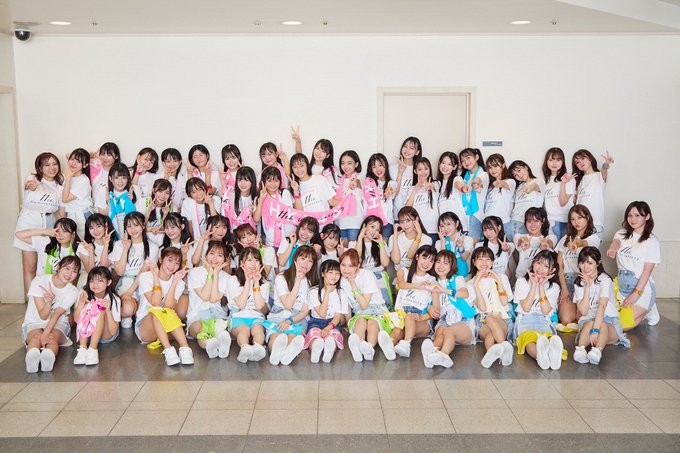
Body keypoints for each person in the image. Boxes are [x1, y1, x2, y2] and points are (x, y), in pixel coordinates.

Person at [14, 152, 65, 294]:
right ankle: (32, 300)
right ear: (40, 167)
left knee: (46, 265)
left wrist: (65, 227)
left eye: (54, 164)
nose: (52, 168)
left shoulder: (60, 184)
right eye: (47, 165)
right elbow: (29, 186)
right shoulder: (33, 178)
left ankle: (45, 299)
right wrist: (33, 186)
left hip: (49, 224)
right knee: (30, 267)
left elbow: (61, 210)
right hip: (29, 223)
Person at [134, 247, 192, 366]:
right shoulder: (145, 277)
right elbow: (155, 303)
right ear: (161, 259)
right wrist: (155, 276)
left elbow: (168, 305)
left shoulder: (179, 282)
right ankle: (168, 350)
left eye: (177, 263)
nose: (173, 266)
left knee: (165, 310)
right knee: (157, 310)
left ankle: (185, 349)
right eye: (170, 260)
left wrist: (175, 281)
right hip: (146, 327)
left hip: (167, 327)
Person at [22, 256, 81, 373]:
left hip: (59, 323)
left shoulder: (73, 291)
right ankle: (31, 360)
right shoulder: (39, 281)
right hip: (34, 321)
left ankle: (48, 360)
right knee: (37, 337)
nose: (70, 274)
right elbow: (43, 315)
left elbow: (56, 314)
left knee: (51, 337)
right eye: (67, 268)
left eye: (74, 271)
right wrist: (49, 302)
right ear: (58, 267)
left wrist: (46, 334)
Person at [607, 201, 661, 328]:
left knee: (621, 327)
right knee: (609, 320)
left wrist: (635, 294)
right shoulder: (621, 234)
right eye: (630, 215)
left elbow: (647, 271)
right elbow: (616, 242)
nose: (633, 219)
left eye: (637, 215)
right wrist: (613, 248)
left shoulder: (652, 242)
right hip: (621, 286)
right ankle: (647, 308)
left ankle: (648, 308)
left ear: (647, 217)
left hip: (641, 287)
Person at [573, 247, 630, 365]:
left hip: (609, 322)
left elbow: (602, 307)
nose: (585, 267)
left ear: (598, 263)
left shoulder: (605, 280)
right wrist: (587, 287)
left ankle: (596, 351)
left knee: (601, 324)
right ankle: (580, 351)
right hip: (588, 322)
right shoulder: (579, 283)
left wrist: (595, 330)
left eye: (590, 263)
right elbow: (583, 312)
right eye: (582, 262)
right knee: (589, 323)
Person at [421, 250, 473, 368]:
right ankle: (431, 355)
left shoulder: (457, 279)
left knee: (448, 331)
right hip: (445, 319)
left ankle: (444, 355)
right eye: (438, 262)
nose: (441, 266)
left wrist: (443, 290)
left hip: (462, 319)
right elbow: (437, 311)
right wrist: (431, 307)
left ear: (451, 265)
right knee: (439, 335)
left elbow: (464, 293)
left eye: (445, 263)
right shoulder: (433, 282)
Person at [513, 250, 564, 370]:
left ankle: (552, 355)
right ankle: (541, 358)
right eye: (539, 263)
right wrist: (534, 285)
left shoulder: (554, 287)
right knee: (529, 339)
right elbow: (526, 308)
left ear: (552, 270)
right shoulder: (522, 281)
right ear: (533, 263)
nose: (540, 268)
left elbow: (545, 311)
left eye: (546, 266)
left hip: (544, 321)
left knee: (548, 339)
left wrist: (541, 287)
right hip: (524, 320)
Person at [267, 246, 316, 366]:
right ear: (295, 259)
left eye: (310, 261)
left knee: (294, 336)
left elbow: (304, 311)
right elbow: (288, 304)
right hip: (279, 313)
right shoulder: (281, 277)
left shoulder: (312, 282)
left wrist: (289, 321)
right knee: (276, 336)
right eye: (303, 258)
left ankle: (286, 354)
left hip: (298, 317)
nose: (306, 263)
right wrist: (297, 281)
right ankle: (276, 352)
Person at [341, 249, 392, 362]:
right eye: (343, 265)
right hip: (359, 313)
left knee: (372, 323)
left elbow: (364, 305)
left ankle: (369, 348)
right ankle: (358, 348)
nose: (346, 269)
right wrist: (349, 323)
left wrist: (353, 284)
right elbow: (347, 304)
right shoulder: (342, 281)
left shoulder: (367, 274)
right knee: (360, 321)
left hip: (377, 310)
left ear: (358, 266)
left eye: (351, 266)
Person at [468, 247, 514, 368]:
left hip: (502, 319)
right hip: (482, 321)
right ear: (474, 262)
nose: (484, 262)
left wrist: (498, 280)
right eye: (480, 259)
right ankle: (500, 351)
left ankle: (492, 354)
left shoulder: (502, 277)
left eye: (487, 259)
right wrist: (476, 284)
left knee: (491, 322)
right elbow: (482, 308)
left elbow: (504, 302)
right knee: (490, 331)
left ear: (493, 262)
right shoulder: (470, 284)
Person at [555, 205, 600, 327]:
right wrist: (564, 288)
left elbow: (583, 242)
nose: (576, 222)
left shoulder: (594, 238)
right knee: (566, 320)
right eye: (573, 219)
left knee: (582, 318)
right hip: (567, 281)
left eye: (579, 218)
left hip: (585, 282)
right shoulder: (565, 239)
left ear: (587, 218)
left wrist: (577, 244)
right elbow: (559, 266)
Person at [186, 241, 232, 359]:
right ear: (206, 255)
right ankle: (211, 345)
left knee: (219, 326)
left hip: (218, 315)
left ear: (225, 260)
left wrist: (215, 275)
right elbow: (205, 296)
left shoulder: (227, 278)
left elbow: (213, 298)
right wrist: (211, 273)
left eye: (220, 255)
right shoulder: (195, 273)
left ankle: (219, 340)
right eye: (212, 253)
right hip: (197, 315)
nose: (215, 258)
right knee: (202, 332)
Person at [226, 247, 270, 363]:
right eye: (249, 260)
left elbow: (259, 306)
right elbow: (241, 304)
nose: (253, 264)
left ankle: (257, 349)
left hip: (257, 316)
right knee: (244, 329)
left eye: (256, 260)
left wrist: (256, 283)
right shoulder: (233, 280)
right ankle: (244, 348)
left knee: (258, 329)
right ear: (242, 263)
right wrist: (247, 281)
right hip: (238, 316)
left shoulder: (264, 283)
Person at [73, 266, 121, 365]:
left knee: (99, 307)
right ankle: (82, 349)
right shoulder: (84, 294)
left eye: (100, 281)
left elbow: (113, 331)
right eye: (91, 281)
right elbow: (77, 320)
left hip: (106, 335)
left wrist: (108, 311)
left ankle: (93, 349)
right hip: (89, 335)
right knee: (89, 306)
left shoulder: (114, 299)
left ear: (108, 282)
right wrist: (82, 302)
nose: (95, 284)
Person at [303, 259, 348, 363]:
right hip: (315, 321)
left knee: (333, 337)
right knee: (314, 336)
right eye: (330, 272)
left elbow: (337, 317)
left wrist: (328, 328)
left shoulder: (341, 293)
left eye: (337, 273)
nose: (334, 276)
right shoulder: (313, 291)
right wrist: (327, 292)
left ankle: (329, 350)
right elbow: (322, 314)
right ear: (323, 274)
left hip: (332, 322)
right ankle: (315, 350)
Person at [569, 149, 614, 236]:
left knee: (591, 245)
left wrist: (606, 164)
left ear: (590, 158)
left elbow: (604, 170)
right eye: (577, 162)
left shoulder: (599, 175)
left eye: (583, 158)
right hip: (580, 224)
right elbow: (575, 202)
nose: (580, 162)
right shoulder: (579, 181)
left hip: (595, 223)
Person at [455, 148, 488, 242]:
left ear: (476, 157)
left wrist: (475, 184)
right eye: (463, 161)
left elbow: (478, 180)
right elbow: (457, 181)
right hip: (465, 215)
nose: (466, 162)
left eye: (468, 158)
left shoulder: (483, 174)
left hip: (476, 214)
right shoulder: (465, 176)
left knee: (471, 245)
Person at [541, 147, 574, 241]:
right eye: (551, 160)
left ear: (562, 162)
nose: (554, 163)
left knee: (564, 248)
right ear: (546, 162)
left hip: (564, 221)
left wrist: (563, 183)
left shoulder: (568, 178)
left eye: (558, 160)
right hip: (550, 222)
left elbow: (563, 202)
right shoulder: (545, 180)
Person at [405, 157, 440, 243]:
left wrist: (429, 185)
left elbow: (433, 186)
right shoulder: (412, 188)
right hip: (417, 230)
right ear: (415, 171)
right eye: (420, 169)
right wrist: (415, 190)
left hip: (433, 229)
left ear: (430, 170)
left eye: (426, 168)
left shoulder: (436, 183)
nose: (423, 172)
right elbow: (407, 209)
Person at [61, 148, 93, 238]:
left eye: (78, 161)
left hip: (81, 215)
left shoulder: (83, 180)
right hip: (72, 214)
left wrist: (68, 177)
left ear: (85, 165)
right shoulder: (71, 176)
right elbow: (67, 154)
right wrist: (83, 156)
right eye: (72, 159)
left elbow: (65, 199)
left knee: (83, 243)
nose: (73, 163)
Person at [483, 154, 515, 241]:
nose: (492, 170)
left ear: (503, 165)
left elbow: (504, 184)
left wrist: (499, 183)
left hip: (503, 225)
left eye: (495, 166)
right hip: (489, 226)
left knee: (507, 247)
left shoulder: (510, 181)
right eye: (490, 167)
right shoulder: (490, 187)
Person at [389, 136, 422, 217]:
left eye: (411, 148)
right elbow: (393, 193)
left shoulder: (420, 169)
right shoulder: (392, 168)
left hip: (413, 215)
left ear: (417, 152)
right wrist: (400, 172)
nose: (407, 150)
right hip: (397, 214)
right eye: (405, 146)